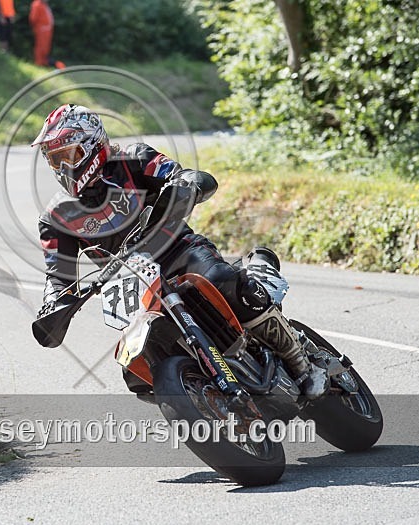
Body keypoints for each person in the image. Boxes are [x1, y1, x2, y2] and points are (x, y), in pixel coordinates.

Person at [31, 104, 328, 398]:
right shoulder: (56, 217)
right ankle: (203, 397)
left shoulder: (134, 159)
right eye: (55, 161)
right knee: (135, 371)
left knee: (223, 279)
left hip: (178, 251)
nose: (63, 168)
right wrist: (54, 306)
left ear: (93, 145)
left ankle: (302, 362)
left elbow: (180, 175)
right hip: (131, 283)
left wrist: (186, 184)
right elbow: (58, 274)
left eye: (69, 156)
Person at [28, 0, 65, 68]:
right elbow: (33, 18)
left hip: (47, 29)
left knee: (46, 47)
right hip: (41, 29)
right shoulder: (37, 4)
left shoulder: (44, 4)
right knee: (40, 46)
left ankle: (44, 62)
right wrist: (38, 27)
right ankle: (38, 62)